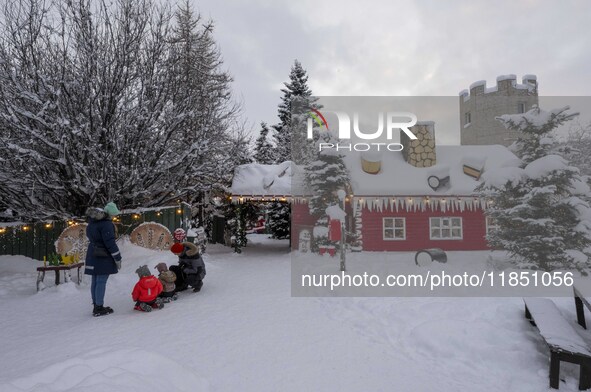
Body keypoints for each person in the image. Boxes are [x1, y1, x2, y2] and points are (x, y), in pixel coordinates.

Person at [84, 202, 122, 317]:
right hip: (102, 255)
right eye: (114, 215)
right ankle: (99, 308)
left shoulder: (91, 223)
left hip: (92, 253)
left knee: (95, 280)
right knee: (101, 281)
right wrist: (117, 258)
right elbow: (110, 243)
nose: (114, 217)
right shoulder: (106, 224)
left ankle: (96, 305)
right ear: (109, 214)